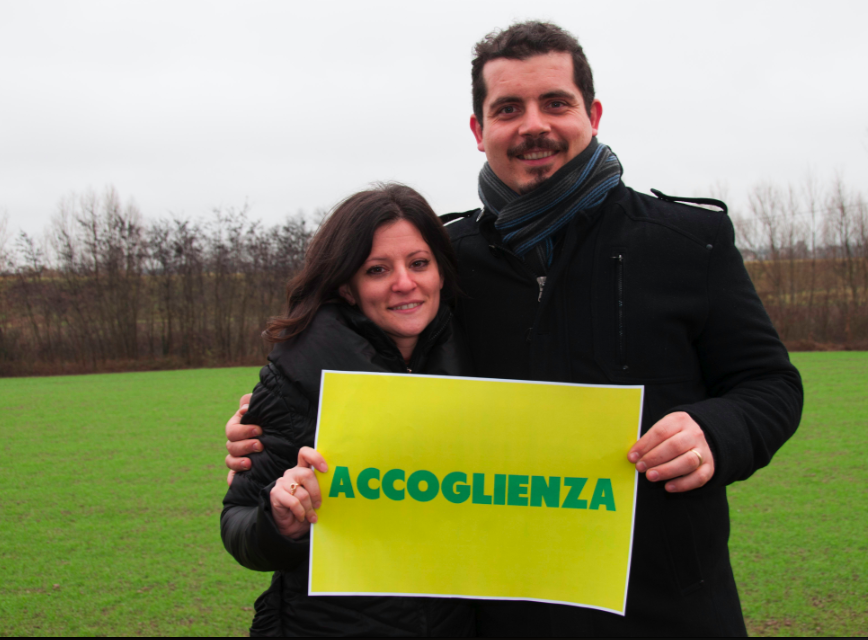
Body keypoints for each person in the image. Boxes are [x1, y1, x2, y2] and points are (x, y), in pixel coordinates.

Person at [226, 22, 803, 636]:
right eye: (508, 109)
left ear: (593, 114)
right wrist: (268, 425)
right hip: (497, 613)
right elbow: (355, 360)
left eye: (556, 102)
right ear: (479, 131)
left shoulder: (688, 242)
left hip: (665, 604)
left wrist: (716, 430)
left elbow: (770, 385)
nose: (534, 125)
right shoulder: (446, 259)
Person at [221, 183, 475, 636]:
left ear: (440, 271)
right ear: (348, 287)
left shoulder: (477, 359)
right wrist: (280, 520)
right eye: (377, 269)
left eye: (419, 263)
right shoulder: (297, 374)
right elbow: (237, 525)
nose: (404, 283)